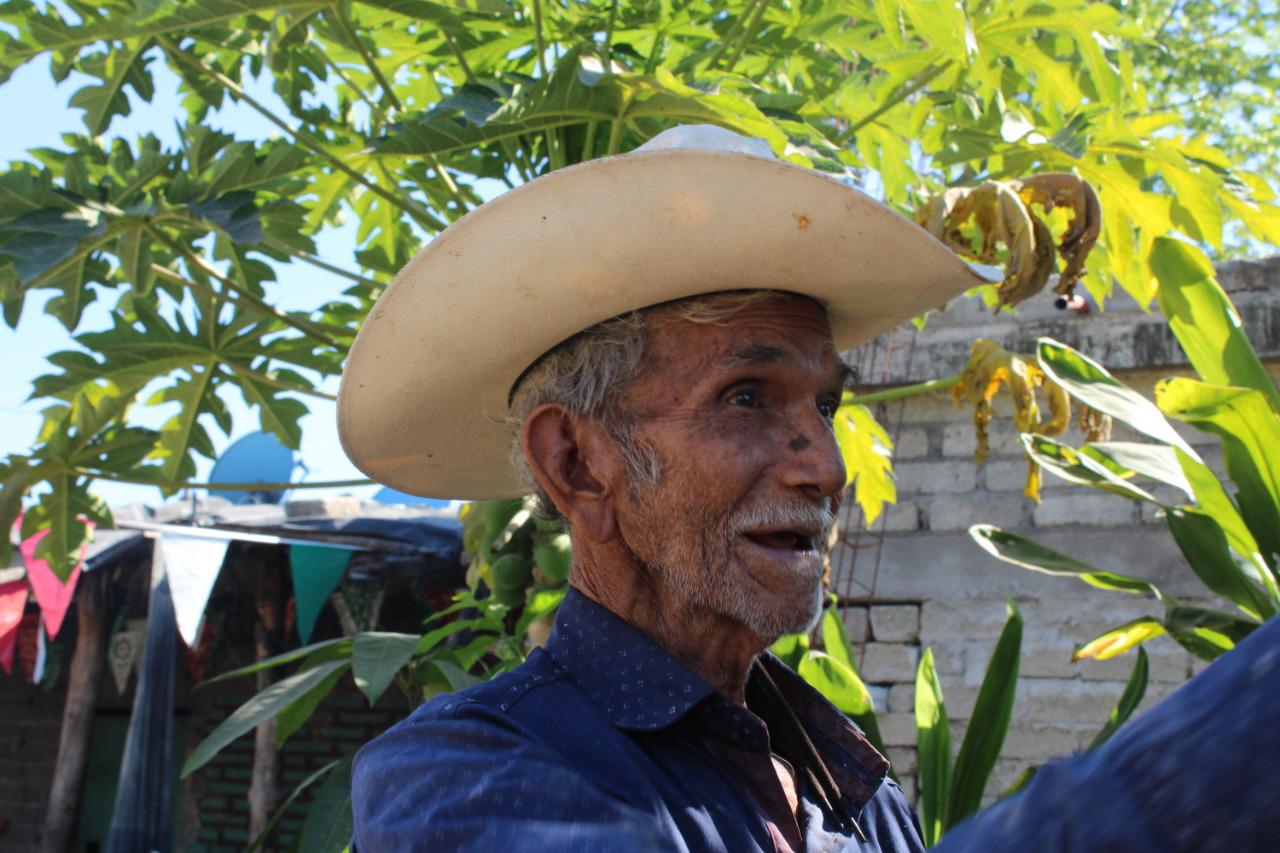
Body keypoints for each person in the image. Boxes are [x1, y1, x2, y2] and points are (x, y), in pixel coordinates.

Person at [338, 126, 1280, 851]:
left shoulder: (856, 797)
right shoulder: (461, 775)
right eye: (744, 397)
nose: (824, 466)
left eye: (823, 404)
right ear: (579, 464)